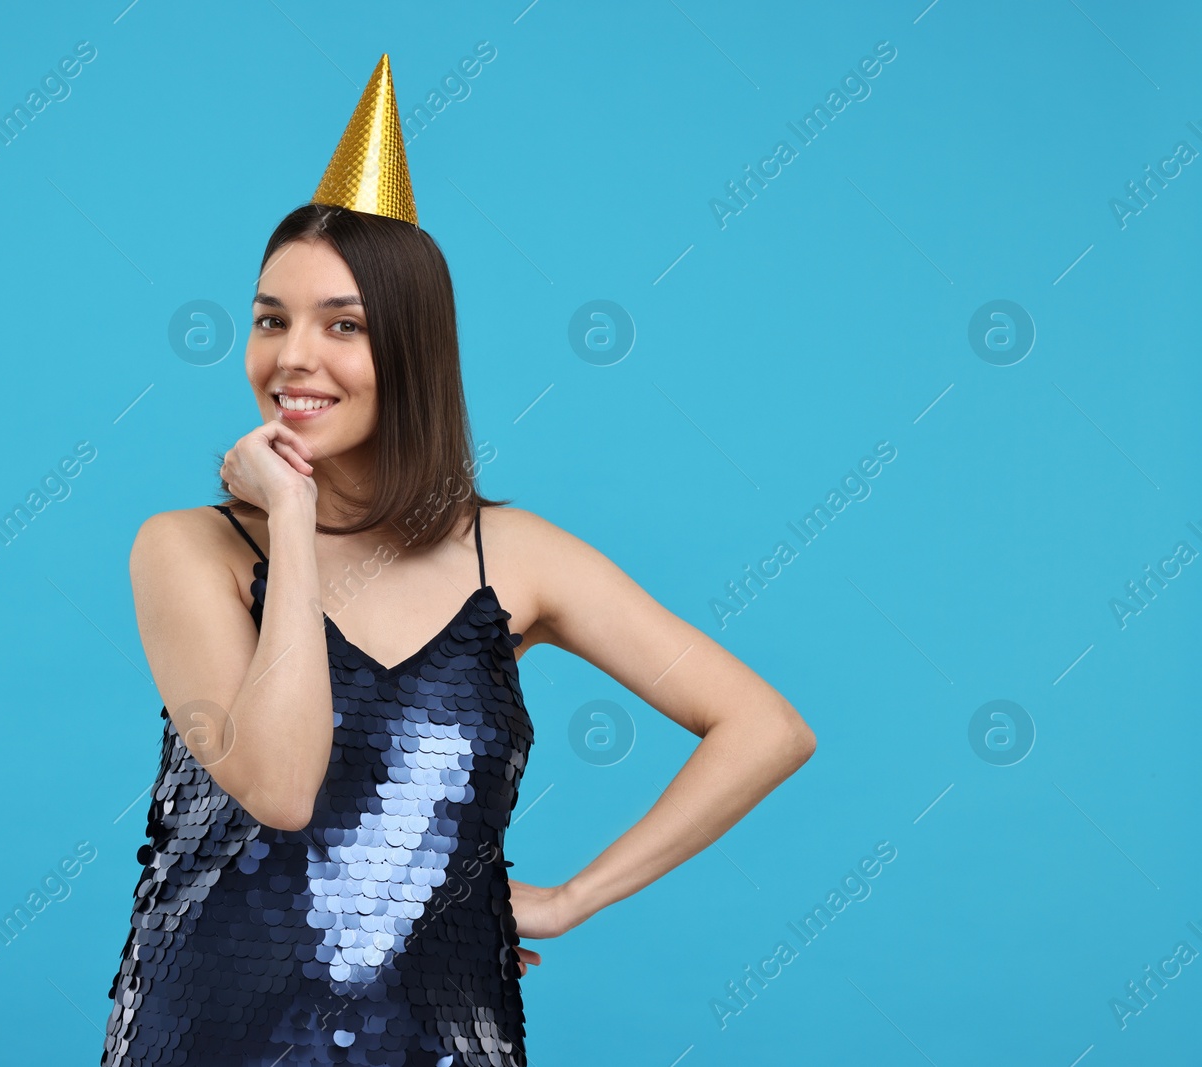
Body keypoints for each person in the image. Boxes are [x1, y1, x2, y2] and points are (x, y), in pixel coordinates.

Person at [101, 55, 815, 1067]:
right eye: (271, 319)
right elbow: (283, 785)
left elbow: (764, 726)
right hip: (210, 1033)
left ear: (412, 347)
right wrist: (292, 524)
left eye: (340, 324)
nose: (291, 355)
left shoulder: (513, 557)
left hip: (440, 1038)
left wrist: (570, 898)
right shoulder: (189, 549)